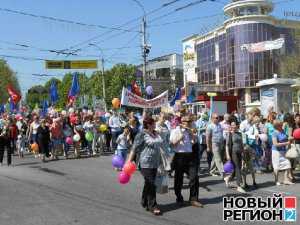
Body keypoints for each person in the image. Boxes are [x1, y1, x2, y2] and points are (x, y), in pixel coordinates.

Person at [127, 116, 163, 215]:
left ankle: (144, 201)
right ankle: (152, 205)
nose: (155, 125)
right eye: (153, 123)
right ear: (148, 125)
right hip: (145, 162)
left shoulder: (155, 133)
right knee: (151, 183)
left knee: (148, 183)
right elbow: (134, 148)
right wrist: (128, 162)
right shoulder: (141, 134)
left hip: (155, 162)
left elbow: (160, 145)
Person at [170, 115, 203, 208]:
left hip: (190, 156)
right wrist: (179, 138)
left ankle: (193, 199)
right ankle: (179, 197)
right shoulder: (175, 130)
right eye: (187, 122)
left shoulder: (191, 131)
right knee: (178, 179)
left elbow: (194, 142)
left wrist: (192, 134)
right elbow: (171, 144)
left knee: (194, 178)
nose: (189, 123)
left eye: (190, 122)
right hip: (180, 156)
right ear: (182, 122)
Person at [272, 120, 294, 185]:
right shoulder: (274, 133)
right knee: (276, 167)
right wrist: (286, 143)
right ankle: (276, 180)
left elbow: (286, 138)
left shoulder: (283, 131)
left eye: (281, 125)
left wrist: (290, 138)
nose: (282, 126)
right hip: (276, 152)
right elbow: (275, 144)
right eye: (280, 125)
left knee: (288, 164)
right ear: (276, 126)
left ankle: (285, 180)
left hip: (283, 151)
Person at [225, 121, 246, 193]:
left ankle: (227, 178)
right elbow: (227, 145)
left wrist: (243, 152)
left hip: (239, 152)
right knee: (237, 168)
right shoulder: (230, 134)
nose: (233, 126)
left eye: (234, 125)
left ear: (237, 126)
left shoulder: (240, 134)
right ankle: (239, 186)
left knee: (237, 168)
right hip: (233, 153)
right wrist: (227, 155)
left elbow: (242, 144)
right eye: (231, 125)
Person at [206, 113, 224, 178]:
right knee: (218, 159)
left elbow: (221, 134)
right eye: (216, 118)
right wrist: (208, 146)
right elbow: (207, 137)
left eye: (218, 117)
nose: (217, 119)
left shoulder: (219, 125)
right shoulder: (210, 126)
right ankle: (222, 172)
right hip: (214, 144)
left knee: (215, 158)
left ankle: (212, 171)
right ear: (212, 119)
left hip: (220, 143)